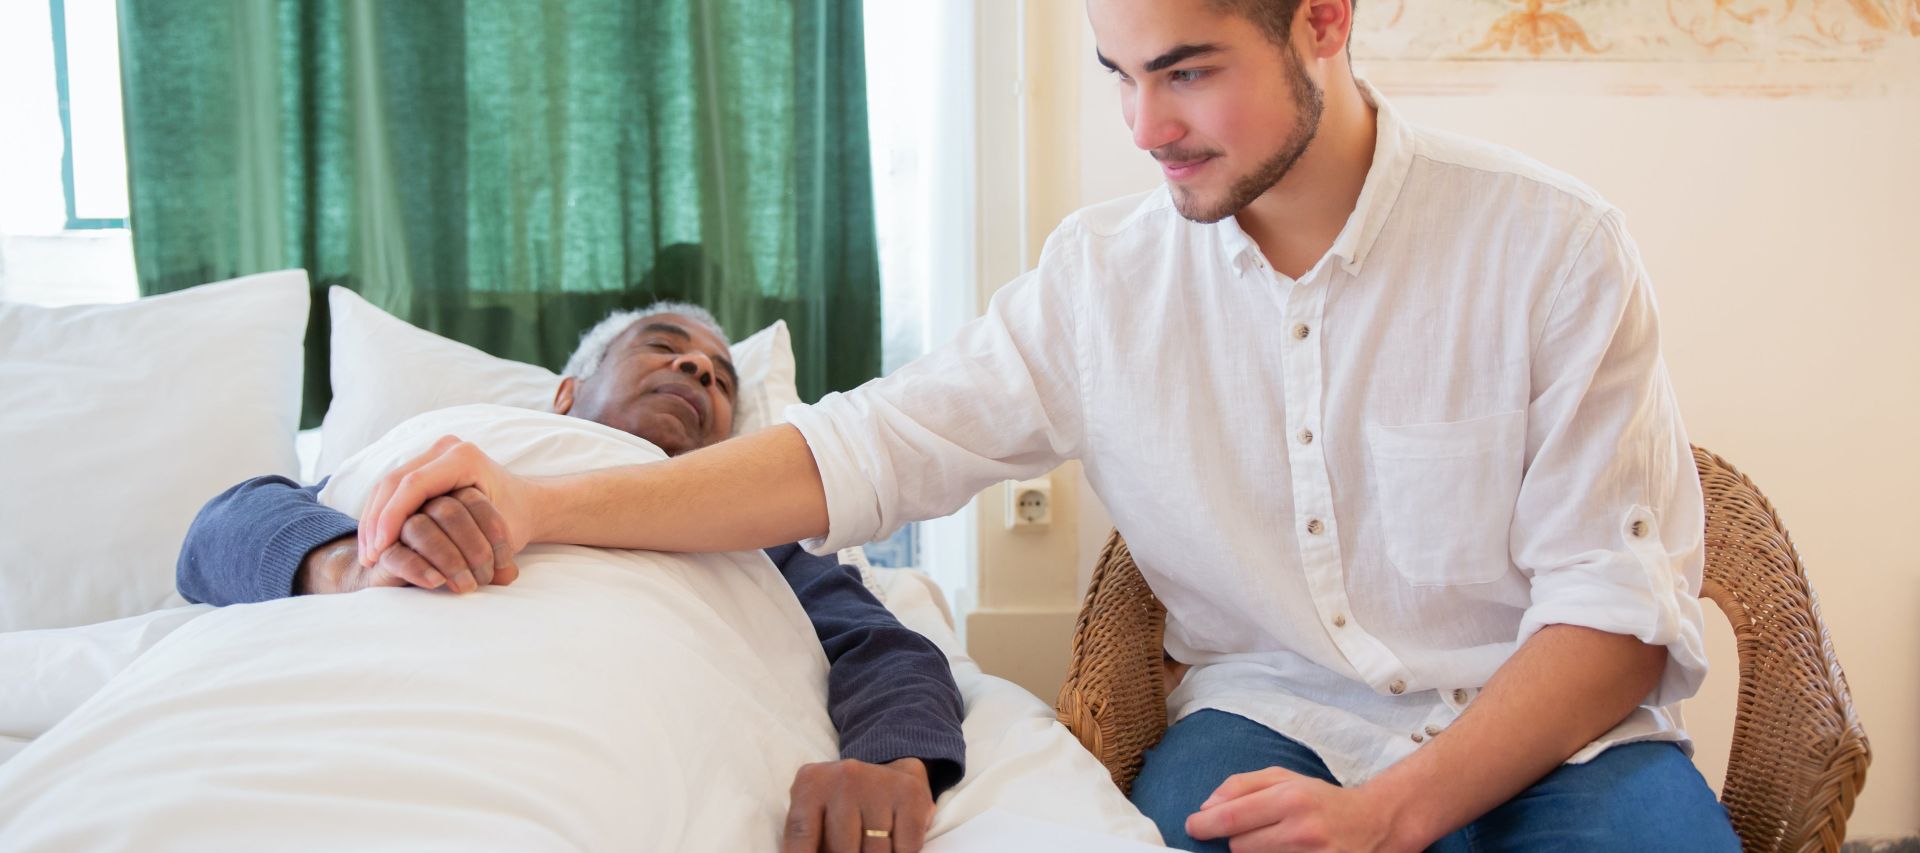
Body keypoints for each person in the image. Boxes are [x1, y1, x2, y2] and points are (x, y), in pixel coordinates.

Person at [352, 1, 1742, 850]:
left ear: (1326, 17)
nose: (1144, 126)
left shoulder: (1553, 248)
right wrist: (542, 501)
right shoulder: (1104, 281)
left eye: (1186, 71)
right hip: (1271, 725)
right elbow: (860, 451)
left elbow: (1613, 619)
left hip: (1562, 745)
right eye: (1116, 73)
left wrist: (1397, 815)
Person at [176, 303, 965, 853]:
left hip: (600, 741)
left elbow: (881, 644)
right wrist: (345, 558)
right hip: (343, 703)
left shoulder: (759, 533)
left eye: (723, 381)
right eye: (663, 346)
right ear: (565, 393)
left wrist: (892, 758)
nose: (698, 368)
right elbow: (219, 529)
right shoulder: (450, 445)